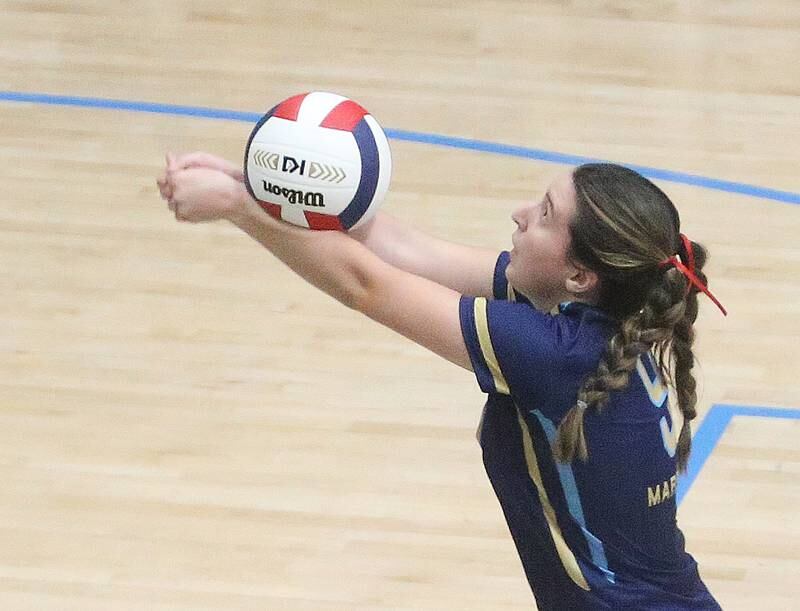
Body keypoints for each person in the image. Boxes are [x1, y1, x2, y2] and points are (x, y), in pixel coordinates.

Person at [157, 152, 724, 610]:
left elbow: (366, 285)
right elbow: (410, 254)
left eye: (546, 214)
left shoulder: (554, 356)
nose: (520, 212)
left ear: (580, 274)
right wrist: (264, 185)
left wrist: (236, 207)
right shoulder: (613, 317)